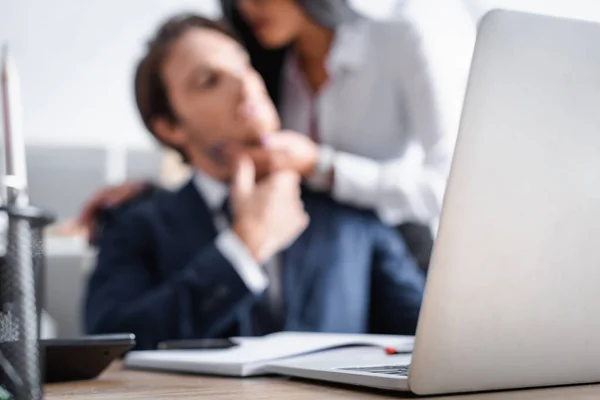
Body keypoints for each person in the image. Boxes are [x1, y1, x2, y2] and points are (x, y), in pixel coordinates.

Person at [84, 14, 425, 350]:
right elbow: (109, 340)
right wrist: (243, 249)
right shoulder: (135, 226)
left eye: (244, 66)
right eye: (209, 81)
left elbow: (430, 338)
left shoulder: (348, 212)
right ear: (169, 127)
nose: (247, 85)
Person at [77, 0, 475, 271]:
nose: (248, 7)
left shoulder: (399, 42)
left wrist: (321, 165)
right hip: (319, 253)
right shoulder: (276, 67)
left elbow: (453, 187)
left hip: (400, 246)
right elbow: (234, 158)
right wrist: (153, 195)